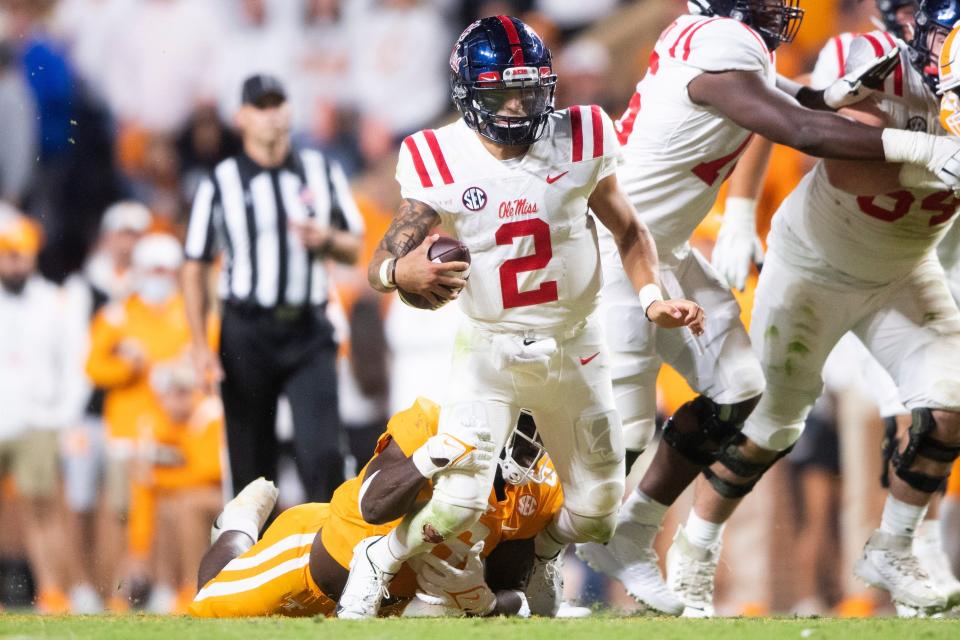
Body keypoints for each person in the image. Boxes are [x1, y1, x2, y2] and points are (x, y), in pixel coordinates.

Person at [574, 0, 960, 617]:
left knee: (739, 389)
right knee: (618, 442)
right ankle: (521, 554)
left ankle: (633, 532)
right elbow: (795, 131)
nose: (779, 8)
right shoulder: (725, 42)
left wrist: (827, 95)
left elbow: (794, 104)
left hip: (662, 245)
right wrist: (916, 145)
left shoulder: (723, 41)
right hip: (616, 254)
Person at [339, 15, 706, 620]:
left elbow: (629, 228)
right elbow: (387, 254)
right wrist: (395, 275)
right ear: (466, 95)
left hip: (576, 343)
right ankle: (381, 556)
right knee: (458, 502)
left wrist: (650, 299)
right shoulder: (441, 154)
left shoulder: (583, 133)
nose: (515, 107)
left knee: (597, 511)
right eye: (498, 93)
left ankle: (540, 558)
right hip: (490, 349)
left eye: (528, 91)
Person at [188, 399, 560, 618]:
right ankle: (237, 527)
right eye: (526, 428)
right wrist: (427, 459)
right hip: (310, 561)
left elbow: (512, 590)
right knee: (208, 608)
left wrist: (486, 601)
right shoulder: (438, 424)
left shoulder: (537, 489)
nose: (533, 448)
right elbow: (373, 505)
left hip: (378, 604)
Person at [183, 74, 364, 502]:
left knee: (323, 457)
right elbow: (194, 264)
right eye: (261, 106)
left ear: (290, 110)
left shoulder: (321, 170)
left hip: (308, 328)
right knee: (251, 468)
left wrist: (327, 239)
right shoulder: (221, 181)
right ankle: (255, 565)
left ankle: (330, 564)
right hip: (247, 330)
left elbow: (353, 247)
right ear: (241, 117)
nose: (271, 114)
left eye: (277, 103)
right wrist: (197, 343)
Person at [0, 211, 88, 612]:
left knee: (43, 509)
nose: (15, 262)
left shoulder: (55, 301)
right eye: (8, 255)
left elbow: (76, 362)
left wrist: (61, 415)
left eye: (21, 254)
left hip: (37, 420)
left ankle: (54, 589)